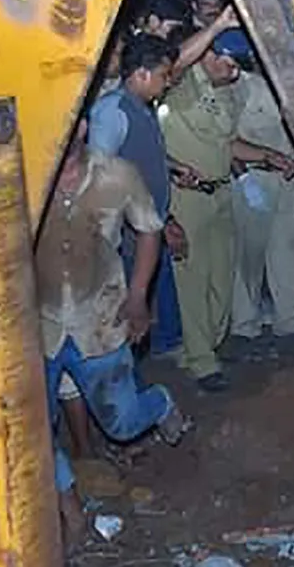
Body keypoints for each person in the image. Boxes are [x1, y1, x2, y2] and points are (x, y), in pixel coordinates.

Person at [40, 122, 189, 545]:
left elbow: (149, 229)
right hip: (39, 326)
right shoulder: (27, 172)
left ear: (83, 124)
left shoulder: (117, 174)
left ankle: (158, 403)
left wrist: (139, 295)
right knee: (33, 433)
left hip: (100, 321)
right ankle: (72, 513)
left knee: (122, 424)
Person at [162, 29, 294, 391]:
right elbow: (174, 60)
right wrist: (218, 23)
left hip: (221, 192)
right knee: (193, 280)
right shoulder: (180, 86)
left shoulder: (229, 92)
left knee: (221, 277)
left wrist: (268, 156)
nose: (235, 72)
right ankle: (201, 361)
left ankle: (213, 344)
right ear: (209, 55)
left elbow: (229, 143)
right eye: (230, 63)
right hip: (187, 197)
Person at [89, 35, 185, 358]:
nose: (168, 82)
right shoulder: (111, 112)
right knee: (129, 306)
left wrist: (173, 167)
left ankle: (156, 349)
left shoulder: (142, 108)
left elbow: (140, 156)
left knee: (145, 298)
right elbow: (101, 173)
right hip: (128, 233)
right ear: (141, 74)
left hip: (149, 224)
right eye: (163, 74)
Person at [227, 57, 294, 358]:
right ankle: (244, 326)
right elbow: (225, 139)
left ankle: (290, 321)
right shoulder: (240, 86)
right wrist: (243, 177)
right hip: (254, 178)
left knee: (287, 249)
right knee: (247, 255)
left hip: (289, 177)